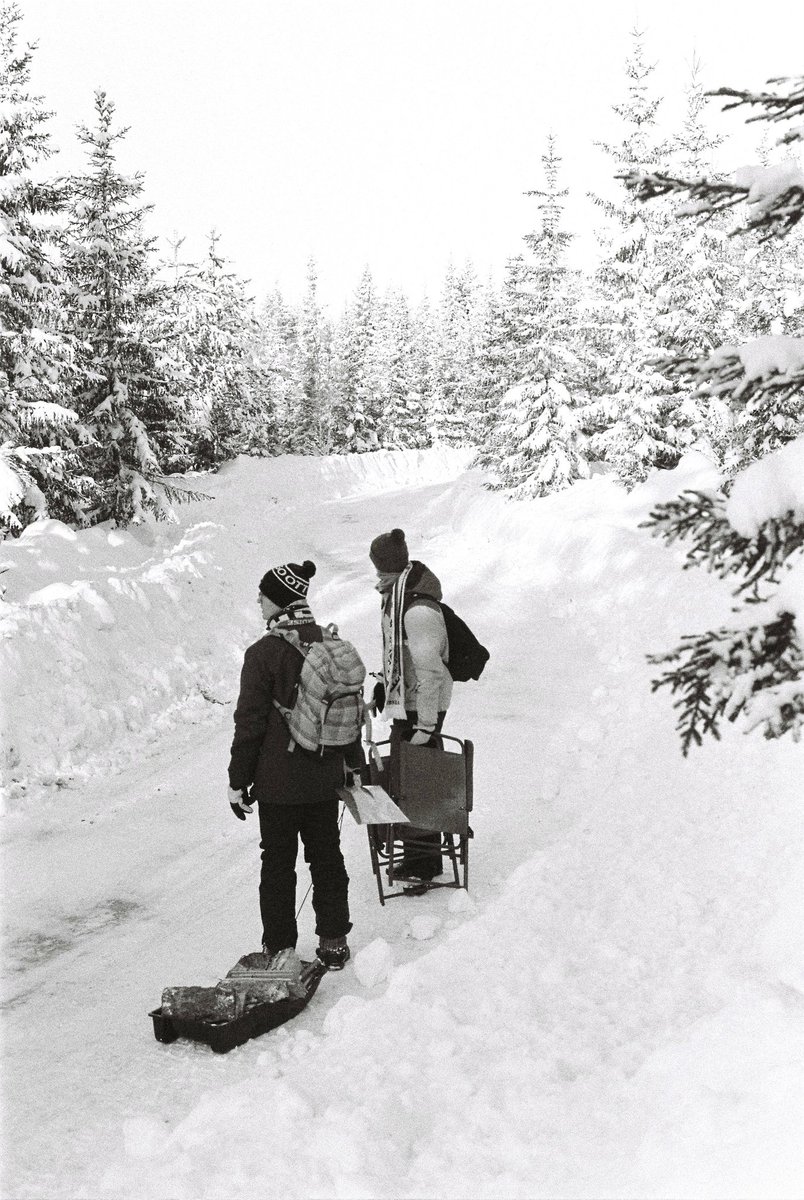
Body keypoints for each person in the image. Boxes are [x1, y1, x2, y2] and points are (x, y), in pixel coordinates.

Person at [227, 560, 357, 970]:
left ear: (279, 601)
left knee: (278, 865)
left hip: (278, 785)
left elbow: (249, 724)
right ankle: (334, 942)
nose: (259, 602)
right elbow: (347, 712)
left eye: (263, 595)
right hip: (324, 775)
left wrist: (237, 781)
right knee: (327, 856)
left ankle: (280, 949)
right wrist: (355, 766)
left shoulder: (262, 654)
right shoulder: (330, 645)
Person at [369, 528, 452, 881]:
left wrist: (426, 727)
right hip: (412, 702)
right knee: (412, 778)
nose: (376, 578)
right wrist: (384, 688)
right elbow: (401, 658)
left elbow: (431, 672)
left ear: (392, 568)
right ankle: (422, 858)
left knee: (420, 781)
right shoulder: (400, 596)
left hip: (424, 707)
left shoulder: (416, 611)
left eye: (379, 570)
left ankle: (425, 863)